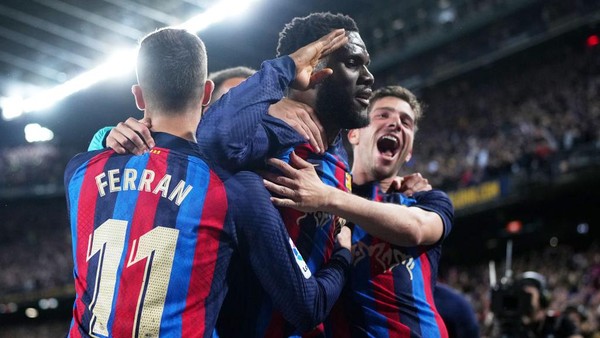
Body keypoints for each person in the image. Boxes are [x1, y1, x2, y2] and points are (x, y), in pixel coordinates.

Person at [98, 12, 374, 337]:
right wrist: (104, 136)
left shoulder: (338, 152)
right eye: (355, 63)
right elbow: (216, 140)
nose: (369, 76)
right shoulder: (263, 143)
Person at [263, 85, 454, 337]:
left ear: (408, 153)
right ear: (354, 134)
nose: (396, 124)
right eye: (383, 115)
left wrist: (327, 197)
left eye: (406, 122)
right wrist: (274, 106)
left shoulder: (425, 199)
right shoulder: (316, 191)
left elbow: (415, 229)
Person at [494, 271, 582, 338]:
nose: (525, 300)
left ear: (542, 298)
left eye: (529, 295)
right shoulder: (511, 328)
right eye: (521, 295)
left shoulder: (559, 323)